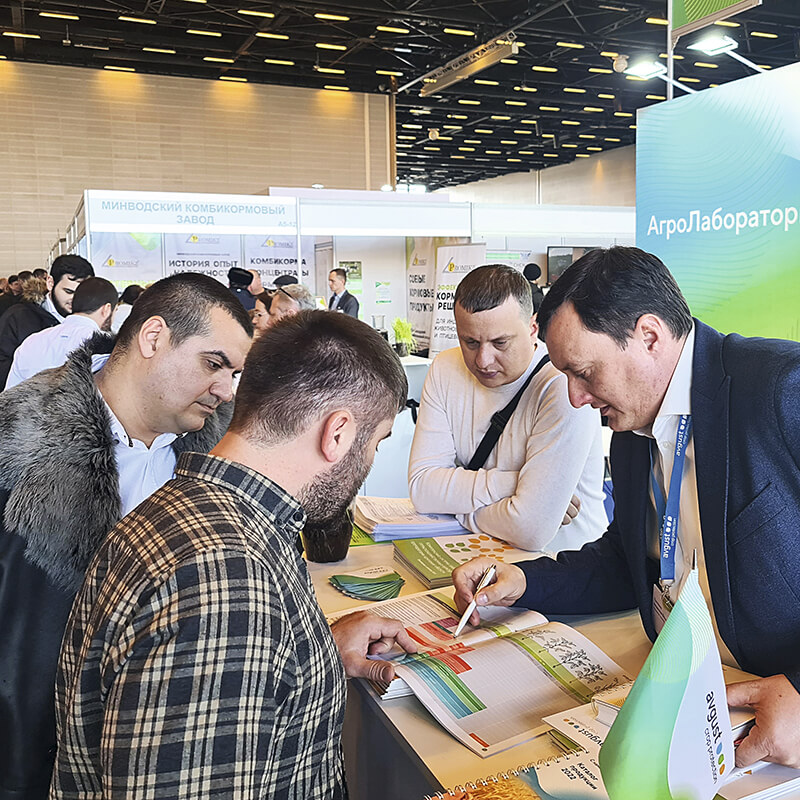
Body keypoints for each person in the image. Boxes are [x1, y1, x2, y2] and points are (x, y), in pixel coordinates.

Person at [452, 246, 800, 770]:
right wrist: (525, 582)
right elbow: (628, 561)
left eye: (584, 373)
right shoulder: (633, 431)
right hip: (694, 700)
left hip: (777, 725)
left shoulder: (781, 388)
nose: (576, 398)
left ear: (650, 336)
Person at [51, 310, 415, 798]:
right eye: (376, 443)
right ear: (338, 433)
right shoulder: (227, 580)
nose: (368, 463)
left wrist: (314, 653)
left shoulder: (193, 511)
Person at [0, 272, 253, 800]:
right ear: (153, 337)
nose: (225, 389)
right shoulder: (17, 442)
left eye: (233, 373)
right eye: (213, 364)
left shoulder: (219, 450)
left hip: (178, 747)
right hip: (37, 747)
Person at [409, 264, 606, 552]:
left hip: (563, 563)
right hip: (479, 556)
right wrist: (518, 486)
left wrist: (460, 512)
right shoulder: (445, 367)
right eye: (470, 342)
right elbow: (422, 488)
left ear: (533, 328)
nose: (483, 360)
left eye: (500, 343)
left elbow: (530, 530)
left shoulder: (563, 384)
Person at [5, 277, 118, 389]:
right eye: (115, 310)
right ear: (107, 309)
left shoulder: (31, 341)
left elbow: (10, 394)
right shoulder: (109, 350)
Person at [0, 256, 95, 388]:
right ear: (50, 283)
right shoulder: (18, 316)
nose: (74, 299)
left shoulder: (92, 322)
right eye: (68, 291)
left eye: (81, 294)